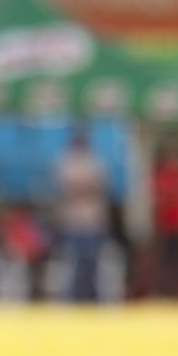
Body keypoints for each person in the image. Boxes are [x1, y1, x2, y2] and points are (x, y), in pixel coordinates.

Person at [55, 129, 108, 302]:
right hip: (73, 221)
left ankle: (92, 297)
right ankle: (75, 297)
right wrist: (83, 187)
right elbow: (66, 188)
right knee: (74, 261)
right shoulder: (66, 161)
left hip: (93, 220)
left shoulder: (96, 162)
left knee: (91, 262)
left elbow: (99, 187)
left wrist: (82, 188)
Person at [152, 144, 178, 298]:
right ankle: (165, 292)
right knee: (166, 262)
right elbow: (160, 200)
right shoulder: (161, 176)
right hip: (166, 227)